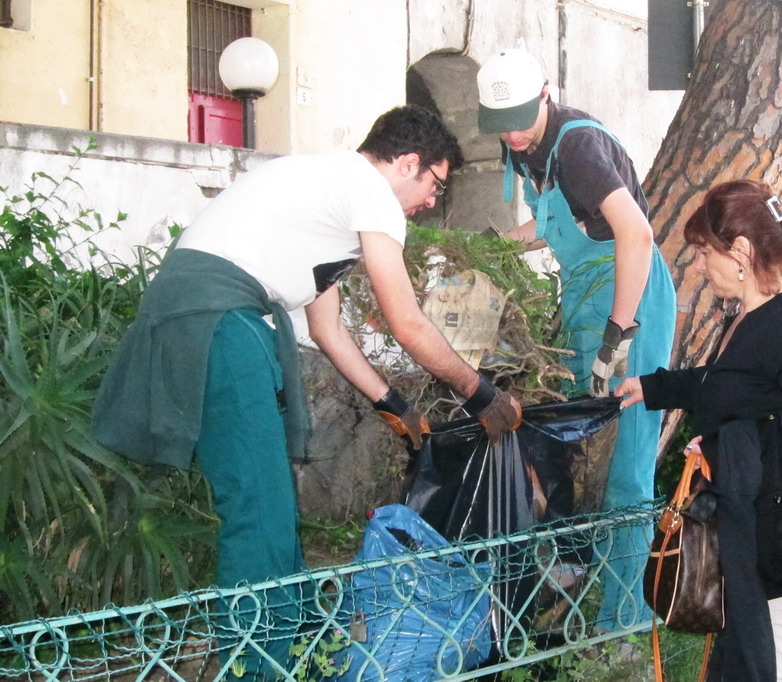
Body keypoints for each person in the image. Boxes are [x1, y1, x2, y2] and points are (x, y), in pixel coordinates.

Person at [91, 105, 522, 680]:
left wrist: (393, 404)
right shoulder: (368, 190)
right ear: (408, 163)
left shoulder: (328, 191)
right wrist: (482, 394)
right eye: (435, 185)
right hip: (218, 319)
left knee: (271, 509)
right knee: (258, 514)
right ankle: (256, 670)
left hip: (198, 313)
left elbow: (326, 329)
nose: (430, 202)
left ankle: (297, 656)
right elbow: (407, 323)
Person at [615, 180, 782, 681]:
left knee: (766, 662)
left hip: (772, 535)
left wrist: (726, 448)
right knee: (753, 660)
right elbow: (728, 385)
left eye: (704, 253)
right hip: (747, 526)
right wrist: (653, 388)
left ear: (740, 251)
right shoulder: (749, 316)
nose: (698, 267)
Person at [475, 48, 675, 630]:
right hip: (584, 295)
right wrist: (493, 247)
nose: (512, 134)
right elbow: (557, 223)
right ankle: (577, 586)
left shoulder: (579, 146)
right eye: (500, 124)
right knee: (575, 449)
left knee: (625, 462)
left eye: (520, 118)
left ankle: (625, 623)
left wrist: (619, 334)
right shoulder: (523, 147)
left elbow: (635, 234)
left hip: (629, 295)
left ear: (545, 94)